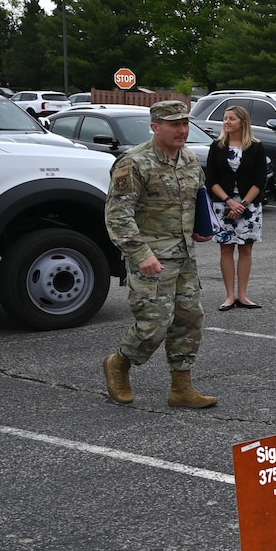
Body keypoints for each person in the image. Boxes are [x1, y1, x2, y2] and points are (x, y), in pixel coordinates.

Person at [103, 100, 217, 408]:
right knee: (155, 322)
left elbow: (196, 202)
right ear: (156, 127)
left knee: (189, 320)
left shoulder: (190, 160)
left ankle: (181, 388)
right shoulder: (134, 163)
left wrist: (203, 227)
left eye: (185, 123)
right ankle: (119, 362)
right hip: (151, 258)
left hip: (184, 257)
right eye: (174, 124)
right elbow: (118, 215)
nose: (182, 130)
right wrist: (140, 254)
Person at [205, 105, 269, 310]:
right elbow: (211, 179)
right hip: (223, 205)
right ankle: (229, 296)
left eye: (231, 118)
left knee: (246, 249)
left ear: (243, 121)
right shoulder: (217, 146)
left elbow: (260, 180)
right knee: (226, 249)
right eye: (225, 118)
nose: (227, 122)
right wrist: (229, 202)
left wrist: (242, 204)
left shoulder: (256, 147)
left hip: (248, 206)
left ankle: (243, 295)